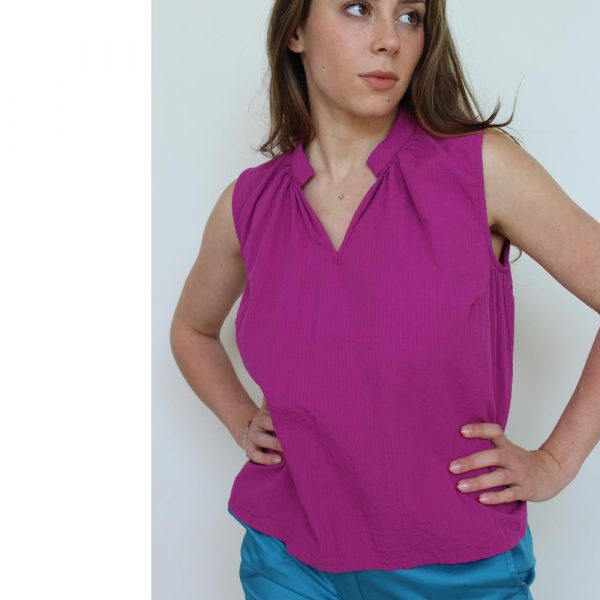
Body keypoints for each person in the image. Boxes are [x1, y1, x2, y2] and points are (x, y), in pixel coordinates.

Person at [169, 0, 600, 598]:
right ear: (295, 31)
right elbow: (192, 331)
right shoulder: (248, 205)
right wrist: (242, 420)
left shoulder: (481, 169)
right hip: (287, 560)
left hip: (456, 567)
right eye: (357, 9)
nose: (389, 39)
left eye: (410, 16)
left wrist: (555, 462)